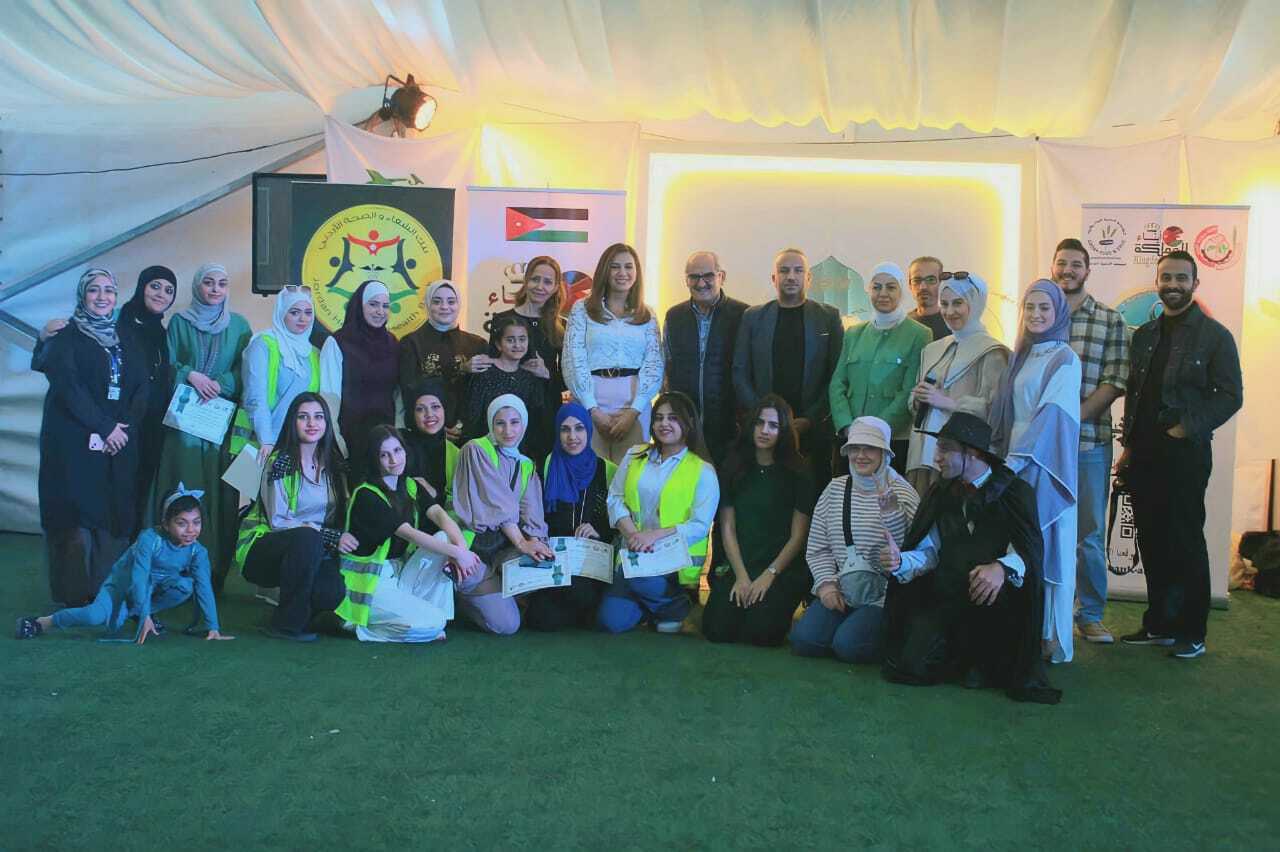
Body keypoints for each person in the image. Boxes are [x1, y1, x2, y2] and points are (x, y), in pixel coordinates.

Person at [880, 412, 1060, 704]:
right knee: (910, 665)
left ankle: (984, 661)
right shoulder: (940, 493)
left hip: (998, 603)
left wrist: (1001, 568)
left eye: (945, 449)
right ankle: (960, 657)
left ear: (973, 453)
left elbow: (1029, 553)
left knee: (989, 664)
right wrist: (901, 562)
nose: (936, 457)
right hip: (948, 596)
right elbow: (930, 552)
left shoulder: (1014, 492)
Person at [1118, 250, 1243, 660]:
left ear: (1194, 284)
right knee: (1151, 539)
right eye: (1166, 277)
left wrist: (1186, 426)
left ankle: (1191, 631)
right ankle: (1159, 625)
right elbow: (1136, 397)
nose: (1172, 284)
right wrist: (1129, 447)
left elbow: (1230, 395)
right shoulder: (1144, 335)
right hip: (1144, 454)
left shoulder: (1215, 336)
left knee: (1185, 540)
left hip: (1185, 453)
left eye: (1181, 278)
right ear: (1157, 282)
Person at [38, 269, 149, 606]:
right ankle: (73, 597)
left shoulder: (126, 336)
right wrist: (105, 427)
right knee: (74, 516)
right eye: (94, 290)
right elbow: (68, 388)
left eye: (109, 291)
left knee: (111, 513)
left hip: (118, 441)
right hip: (73, 442)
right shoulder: (65, 336)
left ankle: (104, 594)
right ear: (82, 295)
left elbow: (141, 385)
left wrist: (123, 427)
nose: (102, 297)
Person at [990, 279, 1082, 664]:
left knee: (1047, 544)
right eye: (1030, 307)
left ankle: (1048, 636)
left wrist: (1019, 460)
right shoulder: (1022, 354)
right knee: (1016, 543)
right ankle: (1018, 631)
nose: (1036, 314)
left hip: (1045, 462)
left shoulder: (1066, 359)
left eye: (1044, 308)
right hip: (1014, 457)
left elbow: (1053, 417)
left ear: (1058, 312)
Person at [17, 486, 233, 643]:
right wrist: (145, 614)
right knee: (95, 617)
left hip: (151, 590)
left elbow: (204, 586)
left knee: (186, 586)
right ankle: (42, 622)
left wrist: (213, 627)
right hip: (123, 586)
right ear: (166, 524)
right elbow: (140, 577)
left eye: (196, 522)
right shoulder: (150, 539)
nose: (191, 530)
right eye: (181, 523)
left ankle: (137, 612)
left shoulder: (198, 551)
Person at [149, 263, 252, 588]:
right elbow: (166, 364)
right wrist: (190, 375)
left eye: (222, 283)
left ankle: (213, 569)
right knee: (182, 485)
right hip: (183, 427)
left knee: (221, 494)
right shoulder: (179, 322)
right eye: (208, 283)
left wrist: (222, 383)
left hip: (220, 426)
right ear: (197, 286)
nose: (215, 289)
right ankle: (171, 569)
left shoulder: (239, 326)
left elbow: (246, 370)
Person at [1049, 238, 1130, 645]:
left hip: (1088, 443)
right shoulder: (1040, 313)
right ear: (1052, 267)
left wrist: (1072, 418)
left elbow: (1115, 380)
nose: (1068, 270)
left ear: (1087, 270)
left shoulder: (1110, 320)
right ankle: (1050, 613)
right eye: (1061, 263)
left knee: (1089, 535)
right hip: (1044, 445)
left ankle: (1091, 614)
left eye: (1075, 264)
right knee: (1046, 529)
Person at [338, 426, 486, 643]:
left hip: (400, 572)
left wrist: (461, 549)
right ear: (374, 459)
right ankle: (363, 628)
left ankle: (431, 621)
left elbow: (440, 515)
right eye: (384, 455)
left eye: (397, 451)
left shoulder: (410, 485)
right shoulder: (367, 495)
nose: (393, 460)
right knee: (433, 622)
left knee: (445, 538)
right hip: (372, 583)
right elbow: (409, 534)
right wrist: (459, 553)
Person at [791, 416, 918, 662]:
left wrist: (892, 515)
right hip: (844, 588)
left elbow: (915, 553)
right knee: (804, 640)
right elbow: (818, 547)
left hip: (885, 595)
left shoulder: (904, 494)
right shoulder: (835, 489)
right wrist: (826, 586)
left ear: (885, 453)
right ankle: (850, 627)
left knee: (848, 646)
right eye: (854, 448)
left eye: (869, 448)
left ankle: (876, 631)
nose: (860, 455)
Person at [234, 393, 357, 641]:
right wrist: (329, 536)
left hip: (312, 548)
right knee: (307, 539)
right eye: (303, 417)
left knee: (331, 592)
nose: (312, 423)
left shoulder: (334, 465)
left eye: (318, 417)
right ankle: (285, 625)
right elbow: (278, 521)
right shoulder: (279, 462)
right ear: (293, 422)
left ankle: (301, 612)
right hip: (264, 547)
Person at [600, 392, 719, 634]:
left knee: (637, 578)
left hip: (672, 564)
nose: (664, 424)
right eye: (659, 418)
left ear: (689, 423)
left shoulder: (703, 471)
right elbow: (615, 497)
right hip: (634, 553)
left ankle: (677, 605)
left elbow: (699, 526)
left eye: (673, 418)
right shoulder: (635, 455)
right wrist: (633, 535)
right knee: (611, 621)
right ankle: (658, 609)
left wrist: (653, 537)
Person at [702, 394, 814, 647]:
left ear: (783, 431)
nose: (765, 431)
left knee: (761, 634)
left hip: (778, 568)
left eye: (773, 425)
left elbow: (798, 536)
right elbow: (727, 527)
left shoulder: (799, 472)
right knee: (717, 630)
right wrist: (741, 576)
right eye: (760, 423)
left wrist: (769, 575)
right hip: (739, 562)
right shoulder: (732, 466)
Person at [733, 248, 843, 489]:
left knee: (810, 494)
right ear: (774, 278)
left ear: (808, 278)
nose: (791, 276)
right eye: (784, 271)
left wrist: (810, 419)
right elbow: (740, 372)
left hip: (812, 430)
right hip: (763, 430)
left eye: (798, 271)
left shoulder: (828, 317)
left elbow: (836, 376)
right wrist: (764, 418)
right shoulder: (753, 317)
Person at [452, 394, 554, 635]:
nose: (508, 431)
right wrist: (522, 543)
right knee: (507, 625)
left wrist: (537, 544)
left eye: (514, 422)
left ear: (524, 423)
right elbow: (498, 507)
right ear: (491, 423)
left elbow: (532, 516)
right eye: (500, 423)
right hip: (473, 548)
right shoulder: (476, 450)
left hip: (503, 549)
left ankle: (498, 593)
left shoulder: (526, 464)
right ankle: (460, 597)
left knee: (542, 562)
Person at [905, 271, 1009, 496]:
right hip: (924, 453)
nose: (949, 311)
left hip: (963, 458)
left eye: (958, 303)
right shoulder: (933, 349)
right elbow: (916, 403)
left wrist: (948, 402)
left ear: (975, 304)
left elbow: (996, 410)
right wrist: (918, 398)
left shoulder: (992, 352)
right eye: (944, 304)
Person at [562, 243, 664, 463]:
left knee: (630, 474)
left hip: (634, 408)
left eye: (628, 266)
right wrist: (593, 409)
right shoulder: (582, 309)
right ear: (604, 271)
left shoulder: (647, 314)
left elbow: (654, 364)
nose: (622, 273)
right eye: (615, 267)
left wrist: (633, 411)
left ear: (636, 272)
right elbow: (573, 359)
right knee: (591, 473)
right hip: (590, 404)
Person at [523, 402, 618, 631]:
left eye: (579, 428)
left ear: (588, 430)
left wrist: (598, 530)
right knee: (539, 619)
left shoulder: (607, 470)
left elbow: (618, 521)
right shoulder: (547, 466)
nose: (572, 436)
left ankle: (583, 609)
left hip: (590, 558)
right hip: (554, 557)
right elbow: (535, 514)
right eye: (565, 429)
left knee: (581, 593)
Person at [829, 262, 930, 470]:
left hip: (893, 439)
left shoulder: (919, 334)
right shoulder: (853, 333)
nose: (883, 293)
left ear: (901, 291)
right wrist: (846, 425)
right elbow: (837, 384)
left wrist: (875, 431)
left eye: (891, 287)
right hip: (851, 438)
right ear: (868, 290)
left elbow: (909, 391)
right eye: (876, 287)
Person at [663, 250, 748, 465]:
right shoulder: (674, 317)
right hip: (684, 427)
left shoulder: (743, 315)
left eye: (708, 276)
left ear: (722, 276)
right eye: (694, 277)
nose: (701, 283)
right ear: (686, 280)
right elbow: (667, 366)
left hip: (730, 428)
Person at [233, 286, 329, 460]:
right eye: (294, 312)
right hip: (258, 443)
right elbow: (255, 397)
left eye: (308, 313)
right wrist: (266, 440)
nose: (303, 319)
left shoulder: (314, 353)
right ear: (281, 313)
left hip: (296, 444)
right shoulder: (263, 344)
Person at [320, 280, 401, 482]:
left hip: (386, 441)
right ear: (359, 306)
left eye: (385, 306)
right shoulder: (337, 342)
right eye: (373, 304)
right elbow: (330, 396)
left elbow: (397, 394)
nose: (380, 311)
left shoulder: (393, 343)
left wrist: (398, 436)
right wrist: (336, 440)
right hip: (350, 437)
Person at [117, 265, 178, 520]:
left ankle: (131, 541)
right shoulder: (119, 323)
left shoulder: (162, 333)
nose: (161, 294)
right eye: (155, 286)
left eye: (169, 290)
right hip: (121, 423)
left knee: (141, 487)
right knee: (117, 487)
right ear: (142, 287)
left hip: (152, 425)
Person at [398, 279, 488, 443]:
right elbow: (409, 392)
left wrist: (463, 425)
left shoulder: (477, 344)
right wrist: (436, 425)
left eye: (451, 301)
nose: (444, 307)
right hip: (425, 434)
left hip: (469, 435)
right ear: (427, 304)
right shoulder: (411, 343)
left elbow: (482, 392)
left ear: (459, 304)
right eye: (437, 301)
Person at [484, 254, 567, 418]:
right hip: (509, 408)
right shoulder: (501, 320)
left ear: (556, 287)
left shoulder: (562, 326)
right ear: (526, 280)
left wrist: (547, 373)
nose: (540, 286)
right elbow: (492, 370)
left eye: (547, 282)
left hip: (547, 409)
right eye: (535, 279)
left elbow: (569, 379)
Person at [463, 314, 550, 465]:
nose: (517, 345)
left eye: (522, 339)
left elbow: (536, 421)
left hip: (520, 454)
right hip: (487, 453)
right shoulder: (485, 374)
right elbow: (473, 417)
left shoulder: (530, 377)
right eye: (510, 340)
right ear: (498, 344)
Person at [401, 379, 460, 506]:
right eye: (420, 409)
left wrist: (435, 494)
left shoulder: (456, 453)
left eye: (435, 407)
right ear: (412, 415)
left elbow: (461, 500)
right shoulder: (400, 445)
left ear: (445, 410)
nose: (429, 414)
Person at [906, 256, 951, 341]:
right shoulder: (903, 325)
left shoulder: (953, 323)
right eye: (917, 280)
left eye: (931, 280)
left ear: (941, 283)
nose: (923, 287)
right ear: (910, 285)